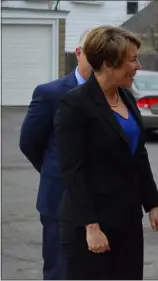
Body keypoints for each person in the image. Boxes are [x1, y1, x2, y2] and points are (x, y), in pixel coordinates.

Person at [54, 25, 158, 280]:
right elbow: (73, 170)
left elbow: (138, 156)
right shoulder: (74, 104)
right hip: (90, 224)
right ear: (107, 63)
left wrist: (152, 205)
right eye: (132, 59)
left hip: (126, 220)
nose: (138, 66)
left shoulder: (126, 97)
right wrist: (91, 227)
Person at [19, 30, 92, 280]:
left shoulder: (117, 95)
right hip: (59, 200)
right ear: (79, 54)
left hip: (102, 203)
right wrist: (58, 171)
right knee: (60, 272)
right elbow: (29, 142)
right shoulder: (50, 93)